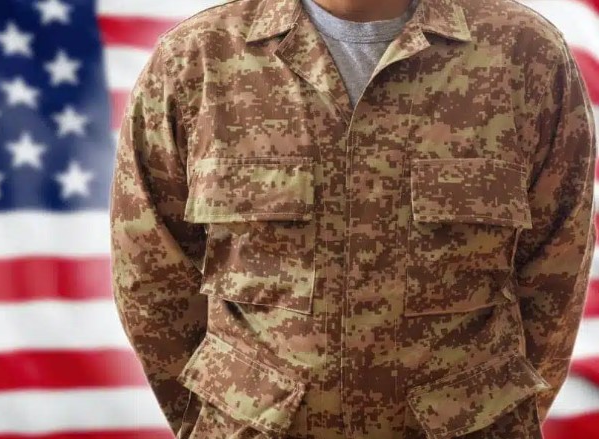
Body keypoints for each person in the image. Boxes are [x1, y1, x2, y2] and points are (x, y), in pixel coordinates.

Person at [108, 0, 597, 437]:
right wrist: (222, 414)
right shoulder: (196, 60)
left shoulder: (524, 54)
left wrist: (481, 412)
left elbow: (556, 267)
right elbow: (152, 275)